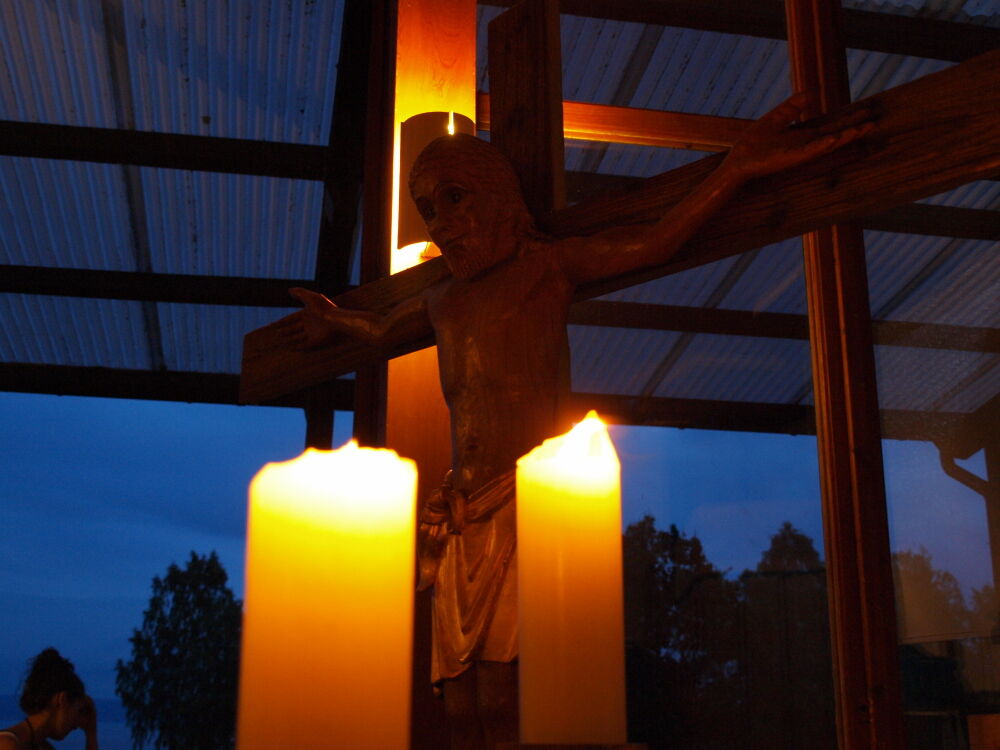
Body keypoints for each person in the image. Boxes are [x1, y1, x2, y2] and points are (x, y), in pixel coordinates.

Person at [282, 93, 871, 750]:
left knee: (505, 697)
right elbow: (383, 328)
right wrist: (334, 321)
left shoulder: (546, 267)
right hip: (462, 517)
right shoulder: (442, 300)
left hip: (521, 504)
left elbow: (658, 240)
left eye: (454, 197)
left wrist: (737, 168)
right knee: (459, 706)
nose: (442, 223)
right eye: (428, 209)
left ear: (498, 196)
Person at [0, 649, 99, 750]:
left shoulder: (41, 746)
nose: (77, 724)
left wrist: (91, 733)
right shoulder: (7, 744)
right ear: (62, 700)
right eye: (79, 710)